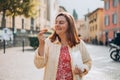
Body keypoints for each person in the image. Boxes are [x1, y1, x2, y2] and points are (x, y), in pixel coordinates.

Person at [34, 12, 92, 80]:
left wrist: (82, 69)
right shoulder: (49, 42)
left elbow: (88, 62)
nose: (57, 25)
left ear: (69, 26)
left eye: (61, 22)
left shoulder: (79, 44)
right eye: (56, 22)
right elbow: (39, 65)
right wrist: (41, 44)